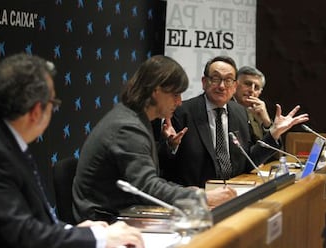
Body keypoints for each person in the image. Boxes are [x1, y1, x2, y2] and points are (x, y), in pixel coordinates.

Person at [0, 53, 144, 248]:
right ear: (36, 111)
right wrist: (101, 239)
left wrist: (78, 232)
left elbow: (28, 224)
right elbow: (22, 235)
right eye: (53, 104)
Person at [72, 55, 236, 223]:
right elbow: (146, 187)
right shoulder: (128, 127)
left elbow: (147, 182)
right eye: (175, 94)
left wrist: (187, 191)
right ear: (156, 91)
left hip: (122, 212)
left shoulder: (134, 118)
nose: (179, 102)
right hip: (105, 223)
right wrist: (201, 197)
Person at [158, 56, 309, 188]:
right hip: (198, 196)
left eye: (228, 80)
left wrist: (274, 133)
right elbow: (162, 165)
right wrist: (171, 146)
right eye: (216, 79)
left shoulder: (240, 112)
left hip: (235, 190)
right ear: (204, 82)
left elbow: (249, 161)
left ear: (234, 86)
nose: (222, 86)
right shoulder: (182, 112)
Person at [233, 66, 272, 143]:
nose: (251, 90)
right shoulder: (224, 107)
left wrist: (267, 123)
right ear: (235, 85)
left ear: (260, 92)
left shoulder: (258, 114)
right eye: (247, 84)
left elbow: (277, 153)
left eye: (256, 87)